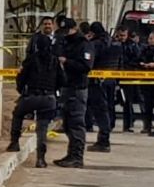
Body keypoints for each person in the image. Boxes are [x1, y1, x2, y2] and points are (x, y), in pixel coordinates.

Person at [8, 34, 66, 168]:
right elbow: (63, 80)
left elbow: (21, 79)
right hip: (49, 99)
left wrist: (22, 92)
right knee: (42, 128)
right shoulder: (55, 61)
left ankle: (14, 142)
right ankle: (41, 158)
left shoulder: (30, 60)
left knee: (17, 114)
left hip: (31, 97)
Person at [54, 18, 94, 168]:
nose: (65, 34)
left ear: (74, 29)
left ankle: (77, 157)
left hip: (78, 89)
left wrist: (66, 62)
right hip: (67, 87)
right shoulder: (65, 42)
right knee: (68, 123)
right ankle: (71, 154)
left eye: (67, 31)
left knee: (76, 123)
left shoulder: (84, 44)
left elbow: (86, 66)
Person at [86, 22, 120, 153]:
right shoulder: (114, 43)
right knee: (107, 109)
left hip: (97, 82)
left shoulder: (95, 44)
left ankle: (104, 141)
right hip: (110, 81)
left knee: (100, 111)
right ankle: (105, 137)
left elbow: (91, 62)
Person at [117, 26, 141, 132]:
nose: (121, 38)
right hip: (117, 76)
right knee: (120, 100)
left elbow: (137, 59)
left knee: (128, 101)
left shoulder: (132, 46)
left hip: (128, 77)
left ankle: (128, 124)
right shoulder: (116, 44)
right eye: (120, 35)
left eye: (123, 35)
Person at [139, 32, 154, 136]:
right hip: (147, 82)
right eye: (150, 38)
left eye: (152, 38)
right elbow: (139, 59)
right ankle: (147, 126)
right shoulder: (145, 49)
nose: (150, 40)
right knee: (147, 105)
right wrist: (143, 64)